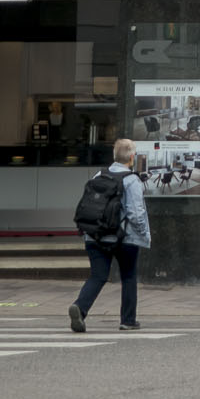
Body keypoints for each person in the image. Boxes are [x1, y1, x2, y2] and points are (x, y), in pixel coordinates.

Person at [70, 138, 150, 333]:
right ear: (132, 158)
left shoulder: (99, 175)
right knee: (128, 276)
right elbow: (136, 214)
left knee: (98, 276)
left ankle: (80, 307)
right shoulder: (132, 180)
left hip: (95, 235)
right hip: (124, 237)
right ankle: (128, 320)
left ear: (114, 156)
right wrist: (144, 235)